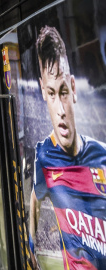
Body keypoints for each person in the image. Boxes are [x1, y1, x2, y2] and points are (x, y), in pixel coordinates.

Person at [29, 25, 106, 270]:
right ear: (42, 91)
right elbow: (35, 199)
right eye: (51, 94)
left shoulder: (102, 154)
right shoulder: (43, 157)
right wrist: (32, 249)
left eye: (63, 92)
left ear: (73, 88)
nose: (60, 110)